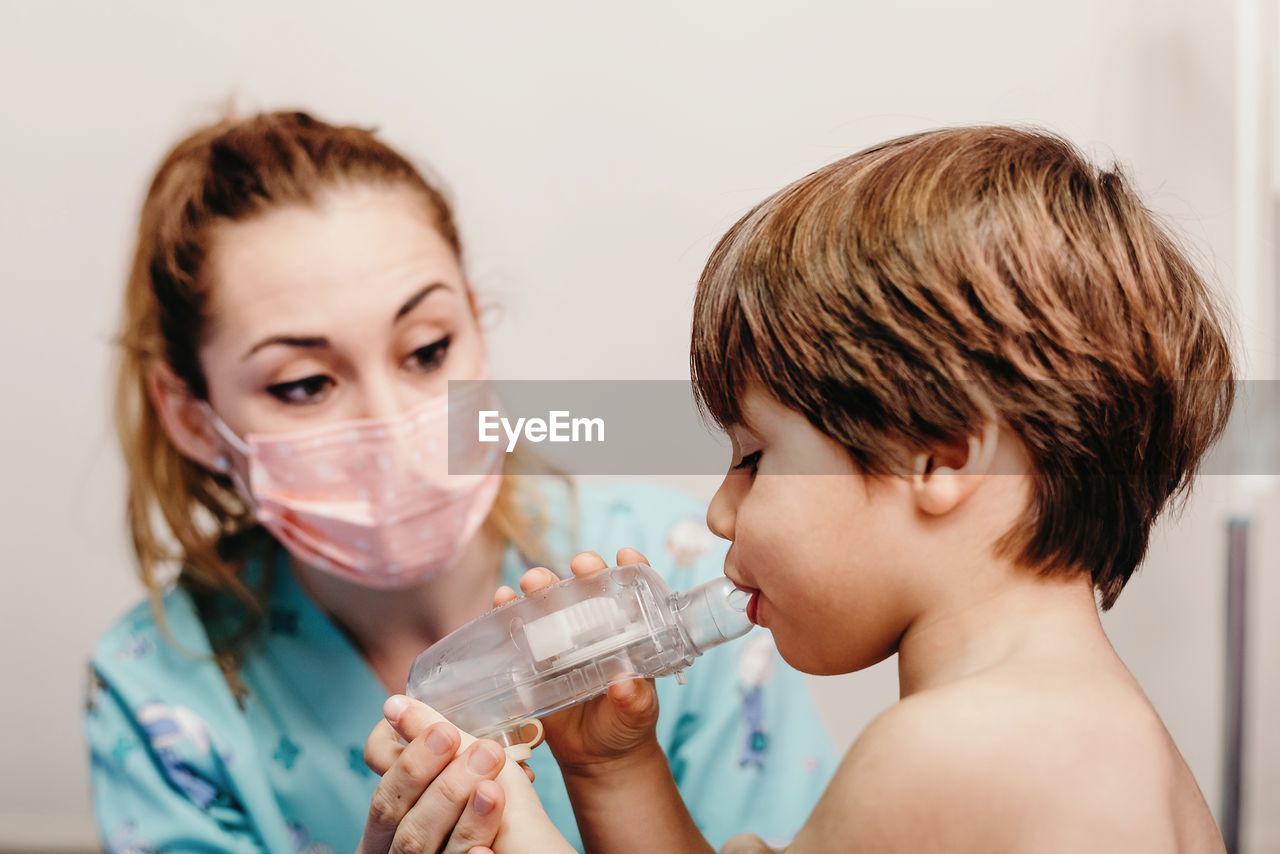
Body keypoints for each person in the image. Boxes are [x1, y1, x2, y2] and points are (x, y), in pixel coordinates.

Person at [367, 125, 1234, 852]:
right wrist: (611, 767)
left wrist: (506, 826)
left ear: (937, 460)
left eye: (754, 459)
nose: (718, 511)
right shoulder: (1096, 740)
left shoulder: (957, 753)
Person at [84, 109, 835, 854]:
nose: (396, 430)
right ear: (190, 418)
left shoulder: (684, 565)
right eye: (305, 384)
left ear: (476, 324)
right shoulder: (160, 694)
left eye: (427, 348)